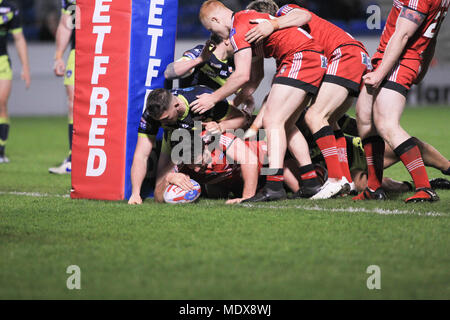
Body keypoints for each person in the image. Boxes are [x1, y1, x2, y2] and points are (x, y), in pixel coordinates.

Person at [194, 0, 327, 202]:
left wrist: (212, 99)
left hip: (300, 57)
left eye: (212, 29)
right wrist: (234, 104)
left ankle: (274, 186)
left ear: (215, 19)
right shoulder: (247, 22)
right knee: (286, 124)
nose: (216, 36)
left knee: (272, 121)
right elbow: (255, 78)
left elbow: (241, 76)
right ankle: (310, 182)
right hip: (309, 57)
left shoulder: (238, 29)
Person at [244, 0, 372, 199]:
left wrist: (273, 24)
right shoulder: (289, 41)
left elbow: (304, 16)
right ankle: (343, 179)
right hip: (351, 55)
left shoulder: (283, 14)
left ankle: (335, 179)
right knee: (328, 121)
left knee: (314, 116)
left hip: (343, 54)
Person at [354, 0, 448, 203]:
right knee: (364, 118)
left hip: (399, 61)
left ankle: (425, 188)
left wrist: (380, 73)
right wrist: (422, 69)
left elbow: (403, 34)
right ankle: (373, 187)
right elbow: (432, 37)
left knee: (387, 124)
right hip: (393, 58)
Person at [128, 85, 248, 205]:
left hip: (208, 141)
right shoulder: (151, 115)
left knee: (225, 179)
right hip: (175, 143)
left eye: (166, 118)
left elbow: (241, 119)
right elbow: (141, 155)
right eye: (159, 121)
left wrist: (220, 127)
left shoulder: (201, 101)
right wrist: (135, 193)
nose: (162, 123)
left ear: (177, 106)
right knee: (160, 196)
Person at [153, 130, 265, 204]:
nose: (196, 170)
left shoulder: (218, 139)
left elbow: (250, 160)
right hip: (238, 182)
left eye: (199, 163)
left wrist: (247, 198)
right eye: (192, 167)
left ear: (205, 147)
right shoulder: (180, 162)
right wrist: (168, 179)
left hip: (265, 163)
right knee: (215, 192)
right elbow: (157, 198)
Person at [165, 33, 255, 116]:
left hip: (209, 117)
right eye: (241, 40)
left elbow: (248, 99)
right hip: (184, 113)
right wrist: (199, 60)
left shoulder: (233, 67)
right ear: (227, 39)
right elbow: (169, 73)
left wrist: (246, 111)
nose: (245, 46)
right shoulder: (201, 52)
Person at [0, 0, 30, 163]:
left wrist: (25, 67)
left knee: (1, 103)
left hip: (2, 61)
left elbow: (19, 39)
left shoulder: (9, 9)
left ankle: (1, 150)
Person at [49, 0, 76, 174]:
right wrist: (58, 55)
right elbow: (66, 23)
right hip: (80, 51)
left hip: (109, 50)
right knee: (74, 104)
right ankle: (74, 159)